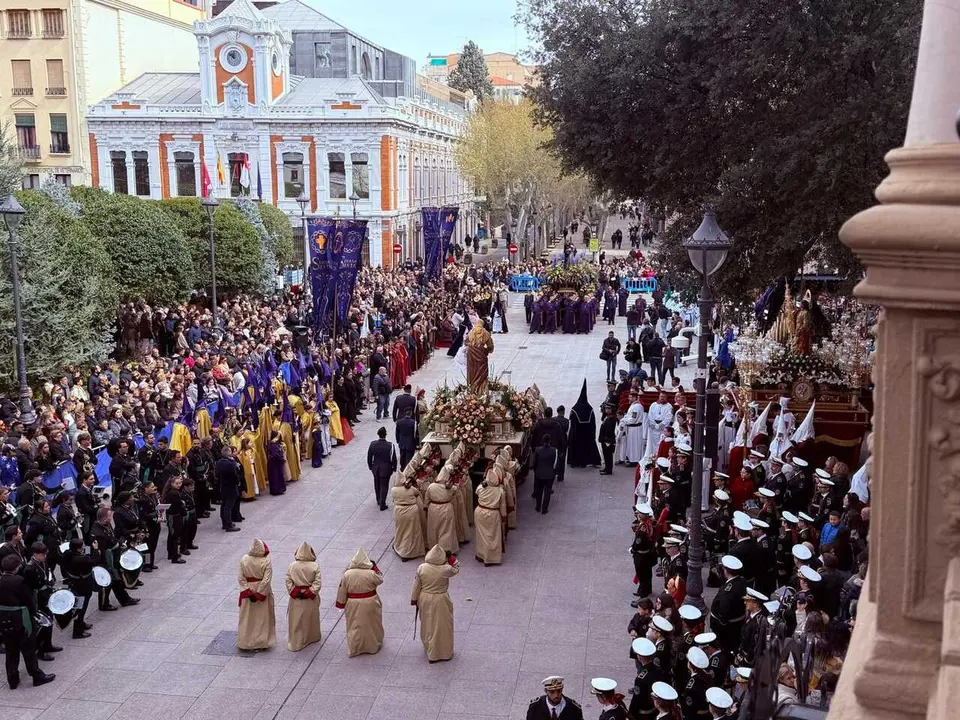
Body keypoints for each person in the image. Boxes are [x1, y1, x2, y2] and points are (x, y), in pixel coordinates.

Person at [0, 553, 55, 689]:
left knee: (11, 650)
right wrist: (34, 613)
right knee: (28, 648)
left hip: (4, 618)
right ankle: (37, 676)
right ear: (16, 567)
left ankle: (12, 679)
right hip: (21, 618)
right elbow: (28, 600)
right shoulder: (19, 581)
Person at [411, 544, 459, 662]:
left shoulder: (422, 567)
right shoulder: (445, 569)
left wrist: (414, 599)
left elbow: (416, 585)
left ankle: (429, 647)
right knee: (442, 625)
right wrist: (451, 557)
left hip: (425, 598)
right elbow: (457, 567)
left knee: (428, 623)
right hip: (440, 599)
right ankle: (442, 652)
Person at [334, 547, 384, 657]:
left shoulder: (347, 574)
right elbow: (380, 579)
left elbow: (342, 589)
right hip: (370, 602)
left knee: (354, 626)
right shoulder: (371, 573)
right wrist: (375, 568)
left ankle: (356, 648)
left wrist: (341, 603)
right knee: (372, 625)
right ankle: (373, 645)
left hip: (353, 603)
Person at [90, 506, 139, 610]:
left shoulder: (106, 525)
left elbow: (112, 537)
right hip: (105, 561)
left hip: (113, 559)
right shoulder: (98, 533)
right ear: (104, 518)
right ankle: (104, 604)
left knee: (117, 581)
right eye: (109, 516)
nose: (111, 518)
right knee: (106, 584)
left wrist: (119, 543)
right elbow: (102, 550)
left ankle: (125, 599)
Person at [21, 541, 61, 660]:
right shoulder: (29, 568)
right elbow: (29, 588)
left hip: (46, 594)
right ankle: (40, 650)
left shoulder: (43, 561)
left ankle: (48, 644)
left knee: (49, 619)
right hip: (38, 597)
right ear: (35, 554)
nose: (45, 556)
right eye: (42, 554)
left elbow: (48, 573)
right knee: (42, 624)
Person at [237, 538, 276, 651]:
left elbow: (241, 578)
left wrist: (247, 591)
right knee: (262, 618)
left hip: (248, 591)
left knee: (247, 617)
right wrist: (259, 593)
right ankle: (261, 641)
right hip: (261, 591)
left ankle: (246, 641)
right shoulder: (266, 561)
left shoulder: (244, 559)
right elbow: (266, 579)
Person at [284, 541, 322, 652]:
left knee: (296, 619)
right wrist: (309, 592)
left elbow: (288, 580)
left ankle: (296, 641)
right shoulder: (315, 566)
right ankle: (312, 637)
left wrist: (294, 591)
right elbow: (317, 582)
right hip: (310, 598)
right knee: (311, 618)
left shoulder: (292, 565)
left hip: (296, 599)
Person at [60, 537, 94, 639]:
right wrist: (96, 549)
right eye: (82, 546)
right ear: (79, 549)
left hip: (74, 581)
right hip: (83, 584)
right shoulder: (81, 559)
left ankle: (81, 622)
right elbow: (94, 560)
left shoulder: (67, 554)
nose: (84, 547)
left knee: (80, 603)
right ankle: (78, 631)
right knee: (81, 606)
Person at [474, 466, 507, 564]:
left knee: (481, 535)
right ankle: (492, 558)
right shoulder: (500, 491)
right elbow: (503, 505)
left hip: (480, 512)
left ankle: (481, 555)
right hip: (493, 514)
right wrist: (504, 516)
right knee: (493, 536)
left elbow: (477, 494)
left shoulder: (480, 488)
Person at [567, 380, 602, 468]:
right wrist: (592, 433)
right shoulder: (590, 409)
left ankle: (576, 462)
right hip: (587, 434)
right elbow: (593, 424)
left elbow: (571, 423)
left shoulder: (574, 409)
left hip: (577, 435)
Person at [391, 472, 426, 561]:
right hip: (411, 511)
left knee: (401, 530)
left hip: (399, 511)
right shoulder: (410, 489)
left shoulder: (393, 490)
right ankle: (409, 552)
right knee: (412, 532)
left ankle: (399, 546)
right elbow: (417, 493)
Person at [367, 426, 397, 511]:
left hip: (375, 468)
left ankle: (378, 499)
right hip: (386, 468)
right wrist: (394, 468)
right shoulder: (390, 445)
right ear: (385, 435)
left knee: (377, 484)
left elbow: (369, 456)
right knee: (384, 485)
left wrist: (370, 466)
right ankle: (382, 503)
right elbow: (393, 458)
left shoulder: (373, 444)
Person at [215, 446, 242, 533]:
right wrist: (238, 482)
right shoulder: (230, 463)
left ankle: (224, 523)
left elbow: (217, 474)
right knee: (228, 507)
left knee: (224, 505)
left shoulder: (219, 462)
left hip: (223, 486)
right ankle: (229, 525)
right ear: (228, 453)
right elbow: (234, 475)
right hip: (231, 487)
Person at [532, 436, 559, 514]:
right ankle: (544, 509)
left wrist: (536, 471)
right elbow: (556, 463)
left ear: (542, 441)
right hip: (550, 475)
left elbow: (534, 463)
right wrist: (555, 473)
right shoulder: (554, 451)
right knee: (547, 492)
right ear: (550, 441)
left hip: (539, 474)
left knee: (539, 491)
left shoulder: (538, 450)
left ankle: (538, 507)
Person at [599, 405, 617, 475]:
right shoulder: (607, 416)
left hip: (608, 440)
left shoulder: (612, 418)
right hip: (605, 439)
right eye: (606, 408)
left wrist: (606, 439)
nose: (606, 409)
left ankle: (609, 470)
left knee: (608, 455)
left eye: (608, 408)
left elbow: (609, 430)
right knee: (605, 454)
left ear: (611, 410)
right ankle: (606, 467)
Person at [266, 432, 287, 496]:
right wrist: (281, 459)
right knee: (276, 476)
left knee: (273, 476)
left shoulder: (270, 444)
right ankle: (278, 489)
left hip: (272, 462)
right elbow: (276, 455)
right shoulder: (273, 445)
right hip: (275, 463)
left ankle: (274, 490)